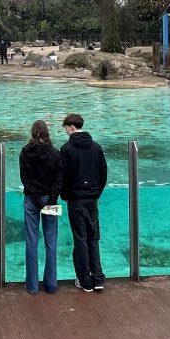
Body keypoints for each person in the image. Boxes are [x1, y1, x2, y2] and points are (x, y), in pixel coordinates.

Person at [60, 113, 108, 293]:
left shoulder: (66, 149)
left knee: (80, 239)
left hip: (75, 200)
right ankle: (98, 278)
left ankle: (84, 280)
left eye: (65, 128)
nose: (65, 132)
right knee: (93, 238)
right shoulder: (96, 147)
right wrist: (96, 193)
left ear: (71, 127)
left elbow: (63, 177)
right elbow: (103, 173)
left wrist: (65, 195)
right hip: (92, 200)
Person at [19, 119, 63, 295]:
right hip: (50, 200)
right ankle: (51, 285)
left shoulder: (25, 152)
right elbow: (59, 179)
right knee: (51, 242)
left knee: (31, 241)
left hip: (31, 201)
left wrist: (37, 198)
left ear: (32, 133)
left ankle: (32, 286)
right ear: (47, 133)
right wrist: (51, 198)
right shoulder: (55, 153)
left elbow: (25, 179)